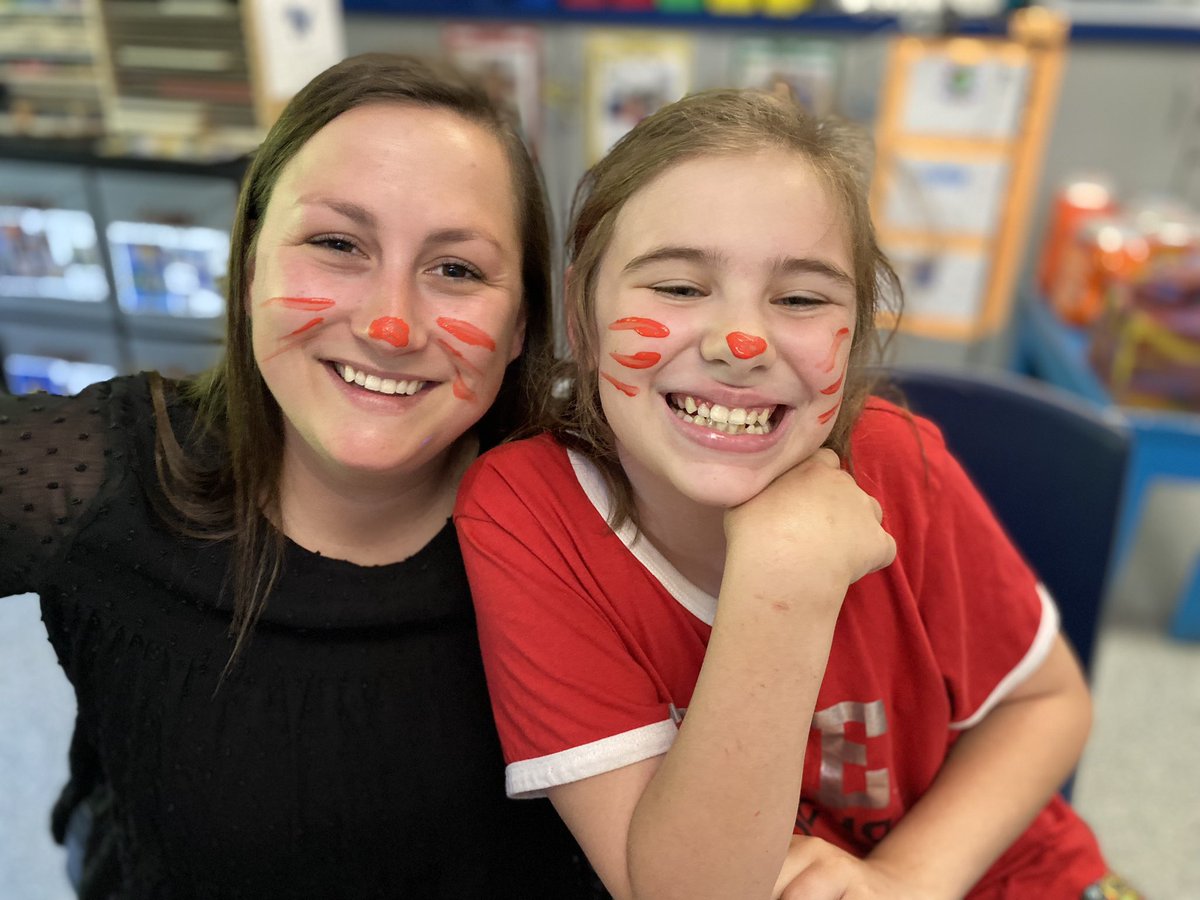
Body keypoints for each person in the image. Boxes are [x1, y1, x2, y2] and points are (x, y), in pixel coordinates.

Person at [454, 89, 1143, 900]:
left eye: (802, 298)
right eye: (677, 287)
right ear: (582, 309)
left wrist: (906, 881)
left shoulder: (896, 462)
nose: (738, 343)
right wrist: (782, 581)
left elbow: (1048, 703)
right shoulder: (527, 513)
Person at [0, 53, 603, 899]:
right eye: (336, 244)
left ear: (518, 327)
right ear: (250, 271)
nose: (391, 325)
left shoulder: (596, 520)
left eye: (456, 269)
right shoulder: (104, 473)